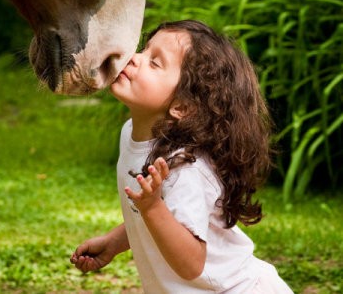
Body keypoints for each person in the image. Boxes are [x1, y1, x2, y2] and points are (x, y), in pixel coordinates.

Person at [70, 20, 293, 293]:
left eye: (155, 63)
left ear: (182, 106)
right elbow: (163, 219)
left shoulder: (185, 168)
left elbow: (191, 264)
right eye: (144, 50)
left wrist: (152, 207)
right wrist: (116, 241)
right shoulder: (130, 133)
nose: (135, 58)